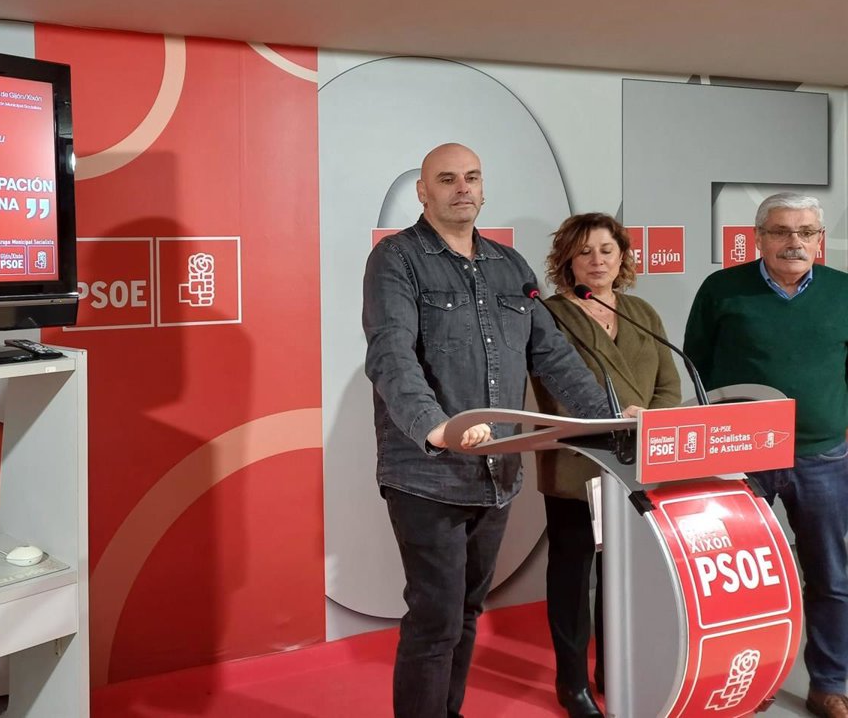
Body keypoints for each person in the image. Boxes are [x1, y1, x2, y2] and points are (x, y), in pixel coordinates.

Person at [363, 144, 626, 718]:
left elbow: (552, 357)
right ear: (423, 192)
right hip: (427, 473)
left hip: (497, 473)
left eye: (472, 177)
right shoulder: (397, 259)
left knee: (464, 612)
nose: (462, 187)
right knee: (435, 619)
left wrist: (610, 416)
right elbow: (390, 356)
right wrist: (435, 428)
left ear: (483, 189)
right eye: (447, 179)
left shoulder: (510, 266)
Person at [684, 192, 848, 718]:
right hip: (741, 455)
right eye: (780, 231)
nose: (793, 242)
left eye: (806, 232)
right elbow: (697, 364)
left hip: (822, 457)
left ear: (819, 239)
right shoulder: (722, 289)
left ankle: (830, 683)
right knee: (738, 579)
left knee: (831, 578)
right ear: (758, 237)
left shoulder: (843, 291)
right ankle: (748, 680)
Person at [531, 213, 681, 718]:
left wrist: (650, 425)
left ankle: (613, 670)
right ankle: (572, 683)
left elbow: (668, 385)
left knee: (623, 576)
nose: (597, 261)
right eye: (584, 252)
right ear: (567, 260)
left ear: (623, 258)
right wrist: (615, 419)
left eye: (607, 250)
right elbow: (554, 387)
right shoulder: (550, 314)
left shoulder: (641, 312)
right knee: (574, 577)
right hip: (577, 461)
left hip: (637, 464)